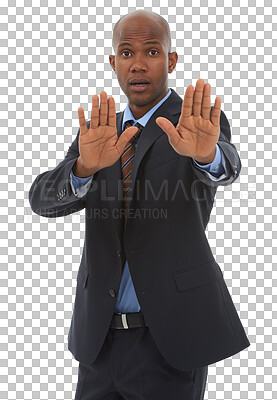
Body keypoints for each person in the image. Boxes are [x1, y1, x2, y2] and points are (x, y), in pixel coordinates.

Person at [29, 9, 250, 400]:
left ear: (171, 60)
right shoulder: (100, 131)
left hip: (171, 339)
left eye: (152, 51)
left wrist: (208, 155)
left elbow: (227, 168)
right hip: (99, 340)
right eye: (127, 53)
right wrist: (82, 169)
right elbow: (42, 201)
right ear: (114, 63)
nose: (138, 64)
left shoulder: (194, 124)